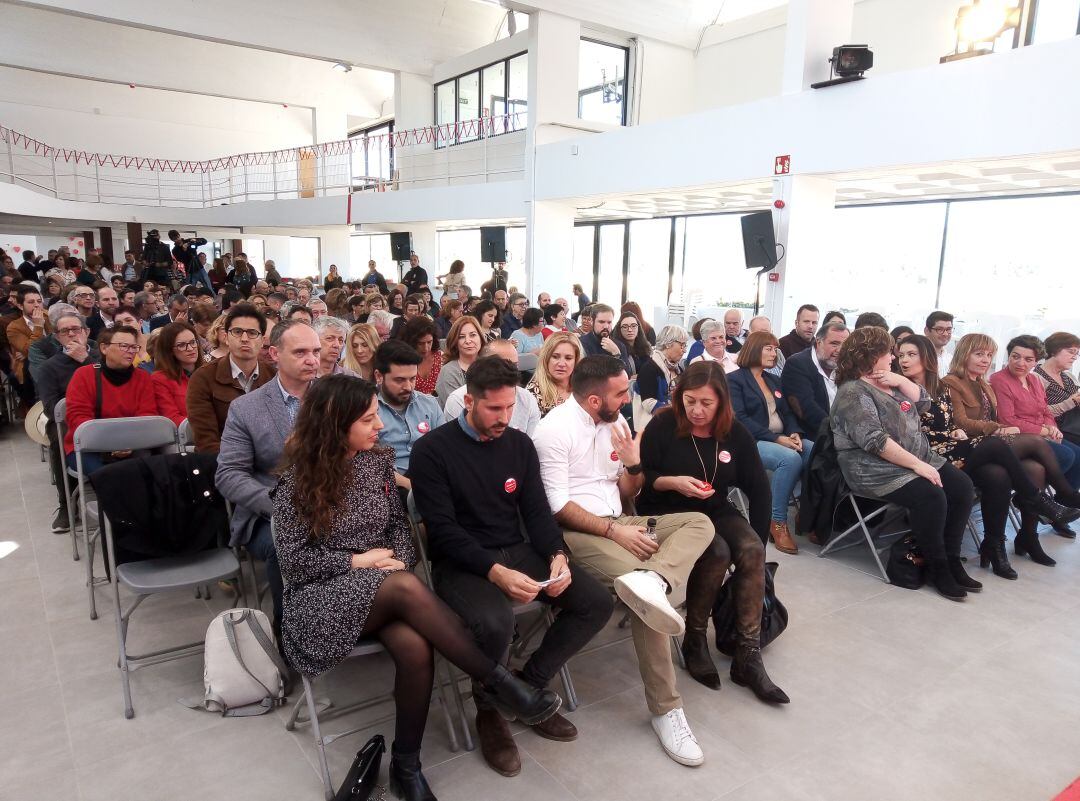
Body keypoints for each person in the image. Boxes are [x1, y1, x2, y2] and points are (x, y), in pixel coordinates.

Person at [272, 375, 562, 800]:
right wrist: (362, 561)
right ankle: (500, 683)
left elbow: (399, 529)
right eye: (369, 419)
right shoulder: (295, 482)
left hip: (385, 588)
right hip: (319, 599)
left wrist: (397, 560)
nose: (380, 426)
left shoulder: (376, 462)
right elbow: (295, 565)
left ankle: (407, 766)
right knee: (404, 588)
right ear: (336, 424)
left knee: (415, 647)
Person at [412, 355, 611, 776]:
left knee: (595, 602)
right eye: (493, 408)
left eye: (509, 407)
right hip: (462, 561)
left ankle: (525, 687)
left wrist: (558, 555)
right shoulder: (432, 451)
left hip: (515, 547)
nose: (504, 417)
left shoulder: (519, 444)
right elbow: (443, 532)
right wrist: (494, 571)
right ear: (468, 401)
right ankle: (489, 710)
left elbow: (537, 512)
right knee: (496, 620)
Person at [533, 355, 714, 767]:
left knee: (699, 523)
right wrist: (615, 532)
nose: (627, 397)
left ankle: (656, 578)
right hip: (576, 532)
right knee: (643, 598)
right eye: (619, 392)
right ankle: (667, 711)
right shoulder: (554, 431)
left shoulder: (615, 422)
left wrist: (633, 462)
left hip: (621, 518)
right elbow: (557, 506)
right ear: (595, 400)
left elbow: (629, 485)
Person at [638, 361, 787, 701]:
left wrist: (760, 547)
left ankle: (747, 654)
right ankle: (695, 638)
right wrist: (673, 482)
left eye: (706, 403)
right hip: (667, 509)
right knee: (717, 550)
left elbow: (759, 489)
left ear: (722, 401)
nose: (697, 410)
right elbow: (641, 480)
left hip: (712, 507)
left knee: (750, 550)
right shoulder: (663, 425)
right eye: (690, 401)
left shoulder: (733, 432)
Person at [899, 334, 1080, 579]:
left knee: (1012, 472)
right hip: (944, 453)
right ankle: (1054, 498)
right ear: (965, 354)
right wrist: (994, 428)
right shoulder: (951, 382)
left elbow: (953, 422)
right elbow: (960, 422)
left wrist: (1040, 426)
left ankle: (1006, 542)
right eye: (979, 354)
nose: (985, 360)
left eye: (988, 355)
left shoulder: (979, 384)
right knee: (1025, 444)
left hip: (965, 447)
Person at [830, 326, 978, 600]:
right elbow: (875, 441)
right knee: (931, 495)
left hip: (916, 456)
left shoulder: (888, 381)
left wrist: (899, 380)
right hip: (873, 469)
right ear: (871, 355)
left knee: (962, 487)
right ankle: (938, 567)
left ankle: (952, 557)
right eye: (888, 352)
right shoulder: (853, 392)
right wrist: (917, 466)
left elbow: (924, 404)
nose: (893, 357)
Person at [216, 321, 320, 644]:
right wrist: (283, 506)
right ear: (274, 354)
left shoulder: (333, 399)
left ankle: (344, 618)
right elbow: (229, 475)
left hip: (331, 503)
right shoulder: (246, 408)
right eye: (301, 352)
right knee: (283, 546)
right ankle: (289, 632)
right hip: (270, 512)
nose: (313, 360)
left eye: (316, 351)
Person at [727, 331, 811, 554]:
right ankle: (777, 522)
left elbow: (788, 413)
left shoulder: (773, 379)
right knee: (790, 459)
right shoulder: (734, 380)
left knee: (813, 450)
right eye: (769, 349)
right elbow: (740, 419)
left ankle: (810, 513)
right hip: (749, 442)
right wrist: (777, 438)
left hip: (781, 438)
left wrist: (794, 433)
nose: (774, 354)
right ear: (755, 349)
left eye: (775, 349)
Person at [990, 335, 1080, 492]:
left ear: (1036, 361)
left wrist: (1052, 428)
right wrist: (1045, 430)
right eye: (1015, 357)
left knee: (1078, 455)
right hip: (1019, 437)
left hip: (1042, 433)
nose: (1020, 363)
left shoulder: (1034, 379)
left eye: (1028, 359)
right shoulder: (1000, 379)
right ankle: (1037, 497)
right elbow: (1008, 419)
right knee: (1066, 456)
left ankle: (1059, 503)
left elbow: (1045, 410)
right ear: (1009, 356)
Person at [35, 310, 99, 532]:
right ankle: (66, 504)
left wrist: (85, 360)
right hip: (70, 421)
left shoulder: (101, 357)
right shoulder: (49, 367)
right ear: (57, 337)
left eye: (76, 329)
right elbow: (52, 409)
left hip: (104, 416)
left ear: (86, 331)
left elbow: (110, 387)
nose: (71, 334)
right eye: (65, 331)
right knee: (58, 436)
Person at [63, 326, 157, 474]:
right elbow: (78, 417)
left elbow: (147, 415)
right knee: (110, 476)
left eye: (134, 347)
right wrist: (110, 443)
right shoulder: (84, 375)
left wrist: (129, 442)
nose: (131, 351)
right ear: (104, 348)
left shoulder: (143, 377)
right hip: (89, 446)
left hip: (133, 444)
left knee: (147, 472)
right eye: (124, 346)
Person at [185, 304, 273, 453]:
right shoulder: (203, 378)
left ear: (262, 339)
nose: (245, 339)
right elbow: (207, 441)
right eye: (237, 332)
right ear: (226, 337)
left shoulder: (274, 377)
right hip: (221, 463)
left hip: (269, 463)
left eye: (252, 333)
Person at [373, 339, 444, 496]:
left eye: (412, 378)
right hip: (389, 489)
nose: (408, 387)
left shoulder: (430, 404)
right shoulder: (368, 412)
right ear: (379, 376)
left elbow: (445, 450)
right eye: (399, 380)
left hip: (432, 480)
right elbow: (372, 465)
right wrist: (414, 486)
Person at [442, 340, 541, 436]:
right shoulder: (457, 400)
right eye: (494, 408)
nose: (511, 370)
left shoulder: (527, 398)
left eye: (515, 365)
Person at [781, 321, 850, 437]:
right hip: (815, 435)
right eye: (834, 344)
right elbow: (807, 409)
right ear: (818, 342)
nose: (840, 350)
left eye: (845, 345)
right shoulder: (798, 364)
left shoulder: (846, 366)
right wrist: (840, 433)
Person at [634, 325, 688, 431]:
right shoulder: (649, 368)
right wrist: (678, 409)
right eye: (682, 345)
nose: (685, 350)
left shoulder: (678, 368)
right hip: (652, 429)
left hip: (672, 425)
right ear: (668, 344)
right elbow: (648, 403)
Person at [150, 322, 202, 426]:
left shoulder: (208, 372)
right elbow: (172, 418)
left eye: (193, 342)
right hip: (187, 437)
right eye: (182, 345)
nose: (191, 348)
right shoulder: (159, 379)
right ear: (169, 350)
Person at [1035, 332, 1080, 445]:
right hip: (1057, 430)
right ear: (1053, 351)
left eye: (1077, 353)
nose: (1075, 357)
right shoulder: (1036, 378)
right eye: (1071, 352)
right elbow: (1037, 413)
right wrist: (1072, 402)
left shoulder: (1070, 376)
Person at [526, 332, 582, 418]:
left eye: (568, 358)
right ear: (546, 359)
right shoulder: (532, 393)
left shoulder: (584, 388)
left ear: (576, 361)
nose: (562, 364)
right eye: (555, 357)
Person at [434, 315, 482, 408]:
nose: (468, 341)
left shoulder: (490, 365)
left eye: (473, 335)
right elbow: (458, 409)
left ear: (480, 337)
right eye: (461, 337)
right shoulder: (448, 372)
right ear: (455, 342)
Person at [401, 316, 442, 396]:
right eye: (420, 343)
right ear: (411, 341)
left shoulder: (441, 358)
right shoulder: (402, 361)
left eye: (429, 342)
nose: (426, 348)